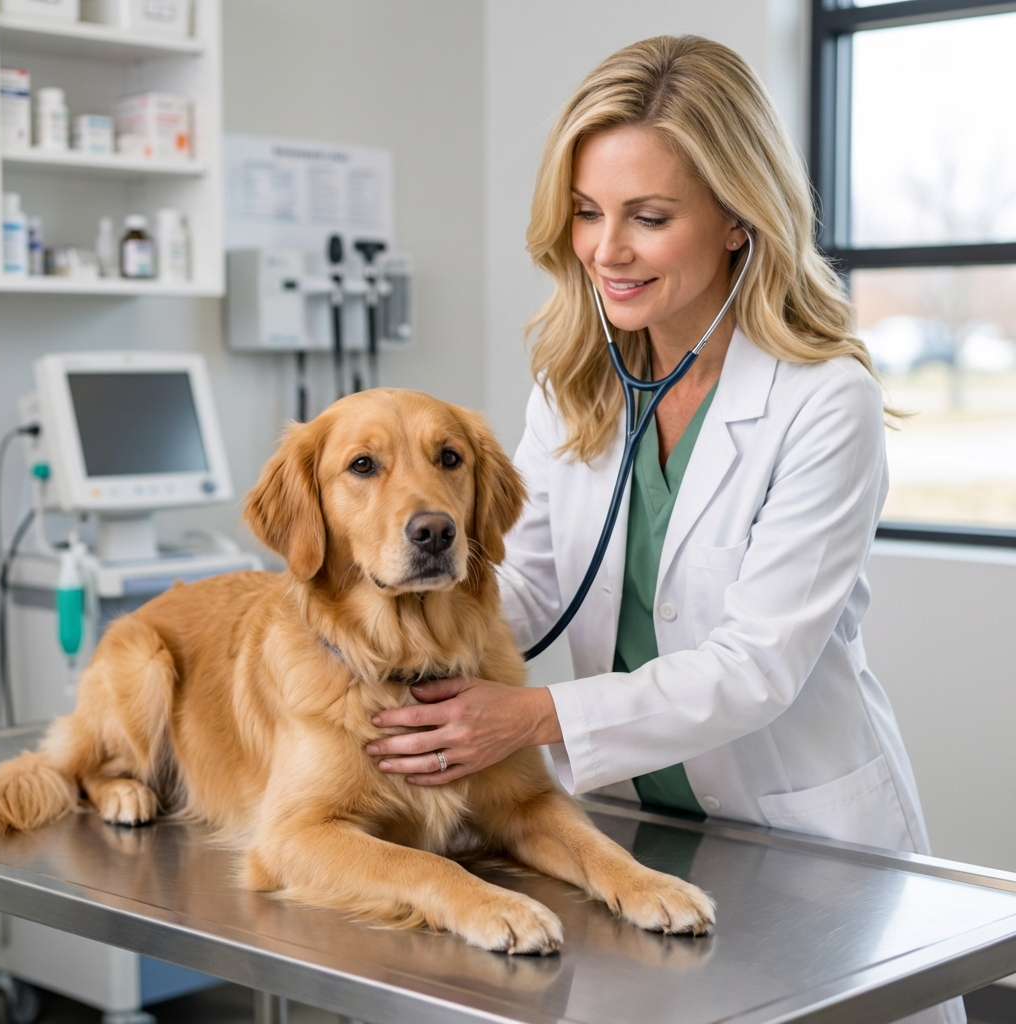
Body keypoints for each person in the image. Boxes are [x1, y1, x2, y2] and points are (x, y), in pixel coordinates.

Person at [365, 35, 963, 1024]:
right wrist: (385, 608)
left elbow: (755, 665)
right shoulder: (574, 381)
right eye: (588, 213)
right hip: (630, 820)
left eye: (648, 217)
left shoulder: (824, 400)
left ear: (737, 217)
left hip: (801, 830)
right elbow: (531, 583)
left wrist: (531, 718)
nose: (606, 250)